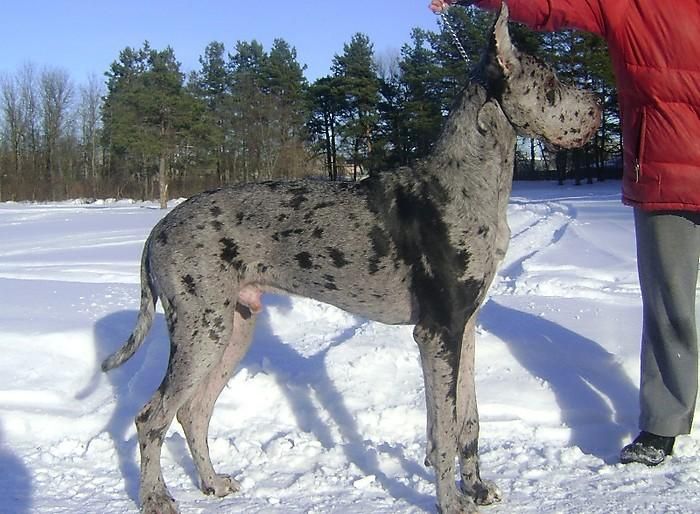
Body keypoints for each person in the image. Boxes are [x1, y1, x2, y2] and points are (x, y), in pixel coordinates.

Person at [429, 0, 700, 466]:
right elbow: (551, 3)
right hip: (667, 172)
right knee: (669, 306)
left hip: (663, 171)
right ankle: (663, 423)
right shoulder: (632, 6)